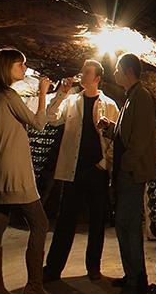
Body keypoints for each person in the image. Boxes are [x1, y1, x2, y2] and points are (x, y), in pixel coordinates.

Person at [0, 48, 58, 294]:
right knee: (39, 223)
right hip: (15, 170)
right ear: (7, 67)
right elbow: (38, 124)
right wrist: (41, 93)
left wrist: (55, 99)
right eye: (20, 65)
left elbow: (34, 119)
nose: (24, 69)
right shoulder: (8, 94)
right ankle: (34, 287)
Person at [41, 59, 120, 282]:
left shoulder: (110, 105)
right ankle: (53, 269)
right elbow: (51, 119)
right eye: (82, 71)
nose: (82, 75)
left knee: (97, 221)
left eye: (87, 72)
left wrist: (104, 164)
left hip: (97, 171)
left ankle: (93, 268)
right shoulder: (71, 101)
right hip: (73, 170)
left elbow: (116, 139)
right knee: (65, 220)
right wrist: (60, 94)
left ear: (96, 79)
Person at [98, 52, 156, 294]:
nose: (114, 74)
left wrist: (126, 167)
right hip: (127, 171)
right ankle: (132, 275)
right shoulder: (130, 98)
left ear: (127, 71)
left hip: (132, 173)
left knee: (129, 226)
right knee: (125, 225)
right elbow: (126, 135)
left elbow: (141, 141)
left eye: (117, 70)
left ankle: (136, 282)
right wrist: (110, 128)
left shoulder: (141, 98)